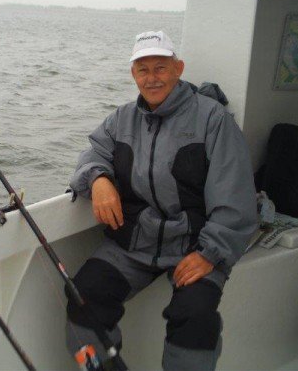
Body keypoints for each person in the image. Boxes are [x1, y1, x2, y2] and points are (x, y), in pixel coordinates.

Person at [66, 31, 257, 371]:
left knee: (195, 316)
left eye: (160, 67)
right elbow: (93, 154)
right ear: (133, 74)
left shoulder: (213, 119)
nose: (151, 78)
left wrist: (209, 253)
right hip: (133, 242)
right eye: (143, 69)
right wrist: (97, 179)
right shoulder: (120, 119)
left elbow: (235, 197)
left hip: (195, 243)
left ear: (178, 68)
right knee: (83, 296)